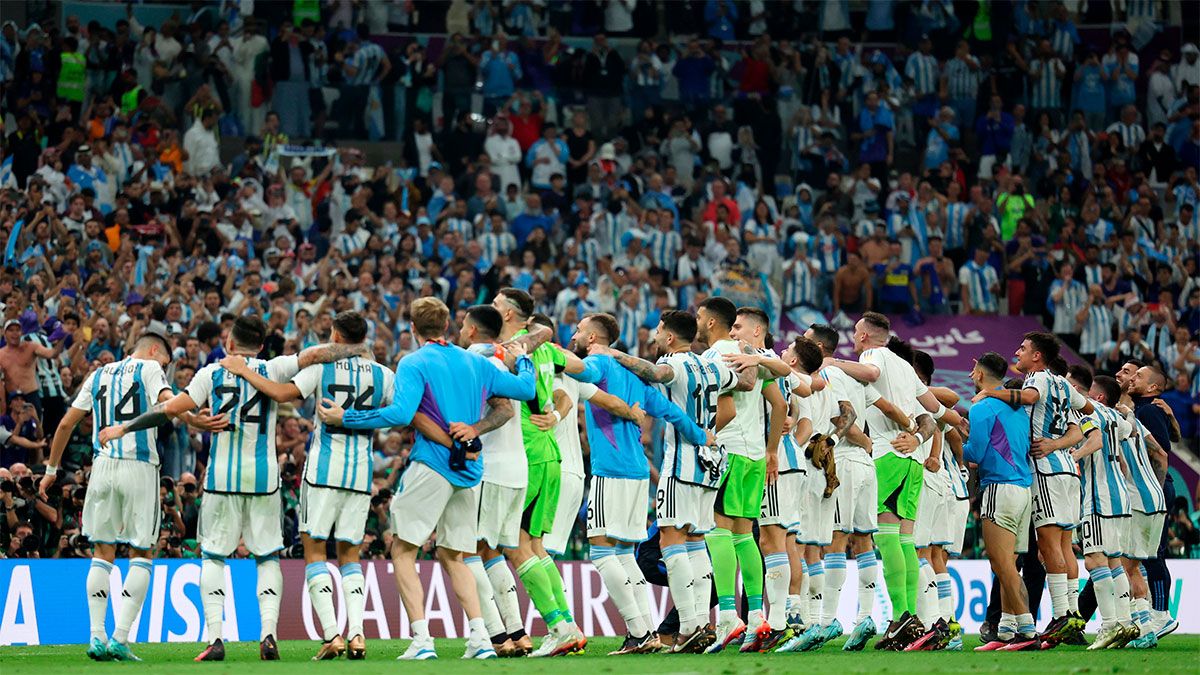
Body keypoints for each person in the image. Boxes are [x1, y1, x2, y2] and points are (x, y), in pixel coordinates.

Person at [97, 316, 368, 660]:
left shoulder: (211, 373)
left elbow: (169, 409)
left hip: (221, 479)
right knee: (267, 555)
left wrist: (124, 428)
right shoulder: (274, 369)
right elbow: (316, 354)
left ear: (228, 341)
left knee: (213, 556)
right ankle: (268, 635)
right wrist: (358, 347)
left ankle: (216, 639)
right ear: (261, 345)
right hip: (264, 480)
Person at [317, 297, 537, 660]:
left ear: (413, 329)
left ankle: (422, 640)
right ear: (448, 326)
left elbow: (402, 413)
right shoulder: (473, 361)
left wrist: (348, 417)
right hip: (468, 471)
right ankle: (481, 639)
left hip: (431, 466)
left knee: (403, 549)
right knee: (455, 554)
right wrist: (523, 357)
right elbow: (526, 391)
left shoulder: (414, 361)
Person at [40, 330, 221, 661]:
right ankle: (119, 638)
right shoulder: (149, 368)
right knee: (142, 552)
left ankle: (96, 636)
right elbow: (169, 401)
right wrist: (193, 418)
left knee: (102, 551)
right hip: (139, 466)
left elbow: (66, 424)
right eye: (165, 361)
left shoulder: (98, 374)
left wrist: (52, 470)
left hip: (103, 465)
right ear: (153, 351)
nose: (163, 367)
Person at [588, 309, 752, 652]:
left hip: (681, 463)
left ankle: (691, 625)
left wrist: (614, 352)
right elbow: (749, 381)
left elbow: (657, 373)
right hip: (711, 464)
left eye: (660, 331)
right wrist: (748, 352)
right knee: (695, 541)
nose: (656, 335)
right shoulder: (713, 366)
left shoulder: (674, 363)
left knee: (672, 539)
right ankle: (701, 626)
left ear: (670, 337)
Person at [569, 311, 713, 655]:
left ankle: (637, 631)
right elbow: (672, 412)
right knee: (624, 554)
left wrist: (549, 353)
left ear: (592, 339)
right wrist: (700, 436)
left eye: (578, 330)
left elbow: (580, 371)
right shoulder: (635, 377)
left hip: (611, 470)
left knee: (602, 553)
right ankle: (646, 632)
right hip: (637, 473)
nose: (574, 333)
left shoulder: (599, 363)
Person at [839, 313, 964, 650]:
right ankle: (909, 619)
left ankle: (902, 614)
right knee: (906, 541)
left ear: (865, 335)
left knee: (886, 536)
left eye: (855, 332)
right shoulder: (907, 367)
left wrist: (830, 361)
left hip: (887, 453)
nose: (853, 337)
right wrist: (933, 432)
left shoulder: (873, 355)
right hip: (912, 462)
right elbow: (934, 410)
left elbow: (870, 374)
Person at [973, 332, 1091, 645]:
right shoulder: (1065, 384)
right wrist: (1060, 442)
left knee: (1048, 547)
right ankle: (1066, 616)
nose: (1018, 353)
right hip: (1068, 469)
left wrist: (990, 392)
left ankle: (1063, 616)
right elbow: (1087, 413)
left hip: (1043, 470)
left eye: (1023, 349)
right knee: (1064, 546)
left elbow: (1028, 399)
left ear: (1037, 356)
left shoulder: (1036, 378)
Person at [965, 352, 1037, 651]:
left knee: (1002, 564)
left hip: (999, 488)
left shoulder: (982, 408)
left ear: (981, 375)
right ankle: (1006, 631)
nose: (970, 376)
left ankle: (1028, 631)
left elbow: (976, 454)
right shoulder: (1017, 408)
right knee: (1010, 564)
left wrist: (958, 441)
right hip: (1023, 490)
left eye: (973, 370)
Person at [1075, 375, 1137, 650]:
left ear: (1096, 396)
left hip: (1098, 497)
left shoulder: (1087, 410)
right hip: (1121, 496)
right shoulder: (1115, 417)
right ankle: (1125, 622)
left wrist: (1072, 456)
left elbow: (1093, 441)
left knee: (1093, 560)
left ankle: (1109, 625)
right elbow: (1129, 430)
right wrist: (1128, 410)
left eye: (1085, 391)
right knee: (1114, 561)